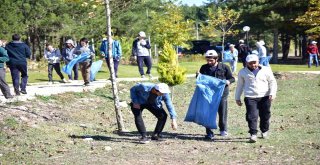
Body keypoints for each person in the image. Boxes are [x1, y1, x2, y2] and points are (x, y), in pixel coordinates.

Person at [235, 54, 277, 143]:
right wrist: (237, 97)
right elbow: (240, 85)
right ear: (247, 63)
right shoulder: (242, 72)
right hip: (250, 97)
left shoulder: (266, 70)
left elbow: (272, 82)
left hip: (265, 96)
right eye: (250, 63)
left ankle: (264, 131)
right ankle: (253, 134)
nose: (253, 65)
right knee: (251, 116)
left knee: (265, 115)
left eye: (255, 63)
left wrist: (272, 93)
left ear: (258, 61)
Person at [197, 50, 235, 139]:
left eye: (211, 60)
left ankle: (223, 129)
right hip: (209, 94)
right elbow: (201, 80)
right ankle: (209, 132)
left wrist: (228, 81)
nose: (209, 62)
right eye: (208, 60)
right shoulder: (204, 67)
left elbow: (232, 78)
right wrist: (198, 75)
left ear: (216, 59)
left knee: (222, 112)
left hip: (222, 93)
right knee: (208, 113)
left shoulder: (225, 67)